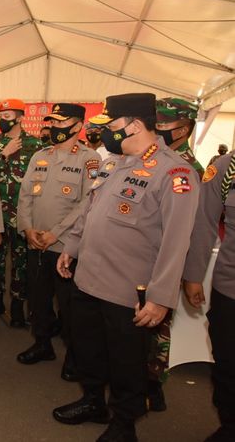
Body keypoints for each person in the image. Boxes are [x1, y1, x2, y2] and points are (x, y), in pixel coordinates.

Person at [53, 93, 199, 442]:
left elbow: (177, 242)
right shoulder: (113, 163)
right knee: (88, 350)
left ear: (133, 126)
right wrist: (71, 246)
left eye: (112, 125)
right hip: (88, 279)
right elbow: (90, 211)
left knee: (125, 363)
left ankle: (123, 425)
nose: (105, 132)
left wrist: (160, 297)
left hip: (127, 292)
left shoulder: (174, 172)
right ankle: (93, 401)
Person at [15, 104, 100, 381]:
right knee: (38, 299)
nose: (55, 128)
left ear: (77, 126)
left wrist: (56, 233)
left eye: (62, 123)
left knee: (70, 306)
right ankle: (42, 344)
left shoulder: (90, 159)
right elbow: (25, 195)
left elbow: (88, 203)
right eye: (53, 122)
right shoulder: (40, 156)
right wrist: (28, 229)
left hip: (66, 247)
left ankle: (74, 356)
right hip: (36, 243)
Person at [144, 97, 205, 410]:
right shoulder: (151, 159)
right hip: (143, 257)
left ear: (182, 130)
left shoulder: (188, 169)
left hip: (166, 260)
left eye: (163, 124)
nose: (156, 129)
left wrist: (191, 275)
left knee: (159, 325)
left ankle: (153, 384)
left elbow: (193, 228)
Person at [182, 150, 235, 442]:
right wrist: (193, 276)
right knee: (227, 366)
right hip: (230, 290)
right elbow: (204, 221)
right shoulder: (228, 167)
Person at [0, 98, 42, 326]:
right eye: (1, 116)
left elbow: (40, 181)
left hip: (22, 214)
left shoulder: (35, 145)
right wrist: (3, 154)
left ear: (20, 118)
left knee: (21, 263)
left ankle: (18, 306)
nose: (2, 120)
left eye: (7, 116)